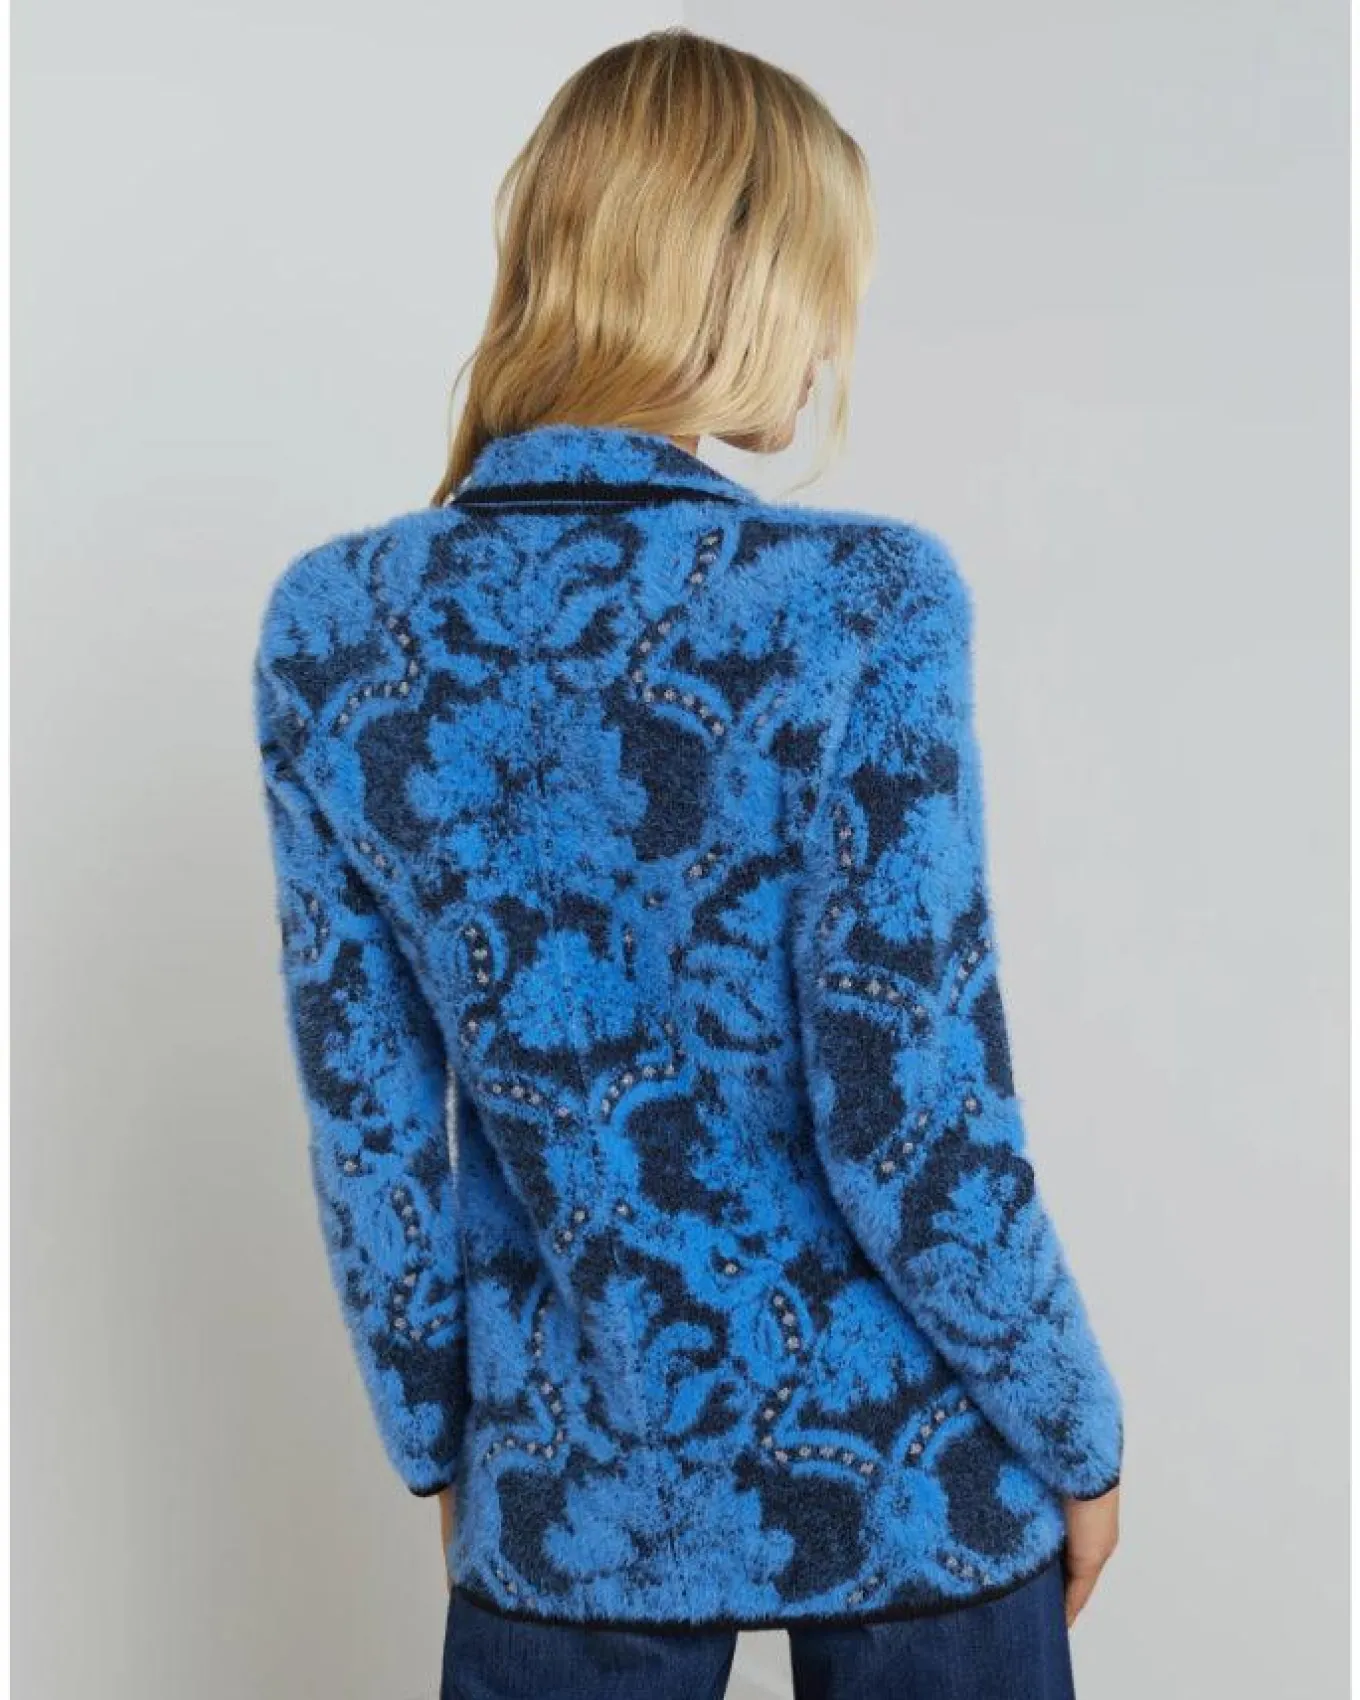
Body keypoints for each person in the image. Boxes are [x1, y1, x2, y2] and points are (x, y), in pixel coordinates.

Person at [252, 26, 1123, 1700]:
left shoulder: (335, 631)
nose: (833, 340)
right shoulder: (865, 603)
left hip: (575, 1475)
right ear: (734, 273)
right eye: (823, 285)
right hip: (912, 1459)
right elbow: (907, 1102)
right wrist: (1076, 1428)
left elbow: (372, 1127)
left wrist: (447, 1448)